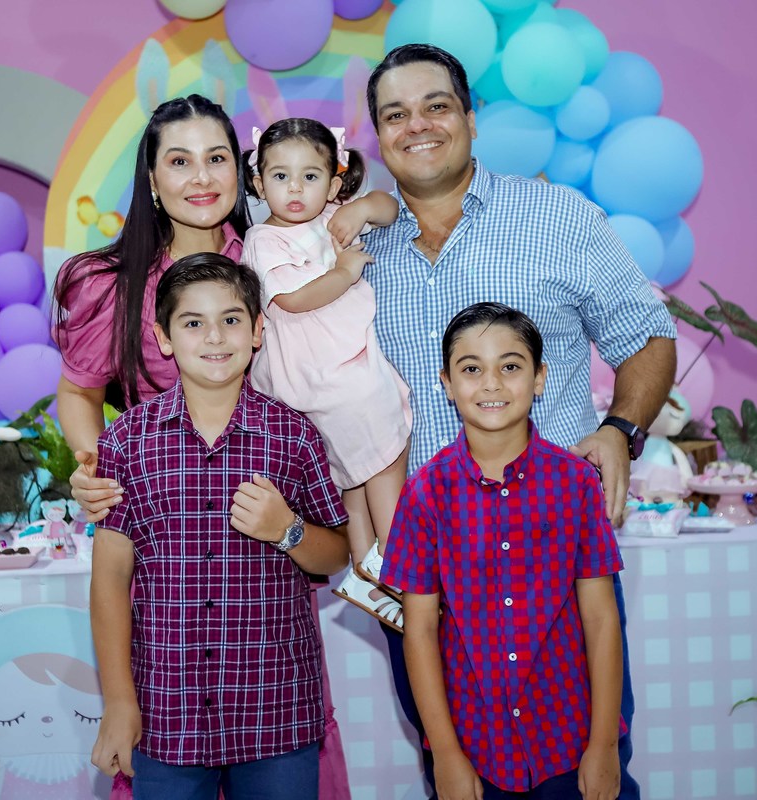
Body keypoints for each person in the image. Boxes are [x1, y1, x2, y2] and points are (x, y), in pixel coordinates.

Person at [330, 43, 678, 799]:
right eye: (396, 114)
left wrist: (620, 430)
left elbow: (647, 336)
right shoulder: (347, 253)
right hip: (422, 569)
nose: (418, 125)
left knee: (586, 771)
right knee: (455, 770)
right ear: (377, 137)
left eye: (436, 106)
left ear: (470, 117)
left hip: (556, 553)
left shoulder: (558, 218)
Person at [88, 253, 351, 800]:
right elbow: (110, 578)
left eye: (231, 319)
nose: (214, 336)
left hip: (276, 708)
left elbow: (337, 554)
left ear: (257, 331)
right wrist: (118, 700)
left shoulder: (293, 435)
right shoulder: (126, 442)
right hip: (166, 711)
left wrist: (287, 530)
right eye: (193, 322)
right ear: (163, 338)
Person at [383, 303, 624, 800]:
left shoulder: (576, 483)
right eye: (471, 369)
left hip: (567, 736)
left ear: (539, 378)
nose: (491, 383)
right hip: (474, 743)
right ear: (447, 384)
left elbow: (601, 620)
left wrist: (602, 745)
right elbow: (420, 630)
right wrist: (446, 754)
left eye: (510, 366)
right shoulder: (425, 492)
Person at [241, 117, 411, 631]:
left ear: (334, 183)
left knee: (353, 474)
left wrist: (363, 206)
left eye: (310, 176)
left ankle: (365, 569)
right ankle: (400, 561)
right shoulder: (263, 239)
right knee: (385, 453)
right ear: (259, 183)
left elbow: (391, 208)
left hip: (333, 365)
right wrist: (343, 272)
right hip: (325, 371)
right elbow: (293, 300)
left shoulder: (336, 216)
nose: (295, 189)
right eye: (281, 176)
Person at [54, 93, 250, 497]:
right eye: (180, 162)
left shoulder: (276, 265)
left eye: (216, 158)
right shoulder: (115, 287)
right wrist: (101, 479)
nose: (202, 178)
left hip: (269, 495)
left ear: (237, 170)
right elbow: (79, 392)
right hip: (161, 501)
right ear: (152, 180)